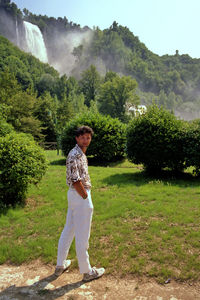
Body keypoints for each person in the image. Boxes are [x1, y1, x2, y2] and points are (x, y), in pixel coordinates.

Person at [55, 126, 105, 282]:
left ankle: (60, 265)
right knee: (83, 235)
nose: (86, 140)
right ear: (77, 138)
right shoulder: (75, 155)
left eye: (88, 137)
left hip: (75, 195)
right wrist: (85, 196)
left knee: (69, 229)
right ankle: (87, 271)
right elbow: (76, 180)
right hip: (80, 195)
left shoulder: (79, 153)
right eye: (83, 137)